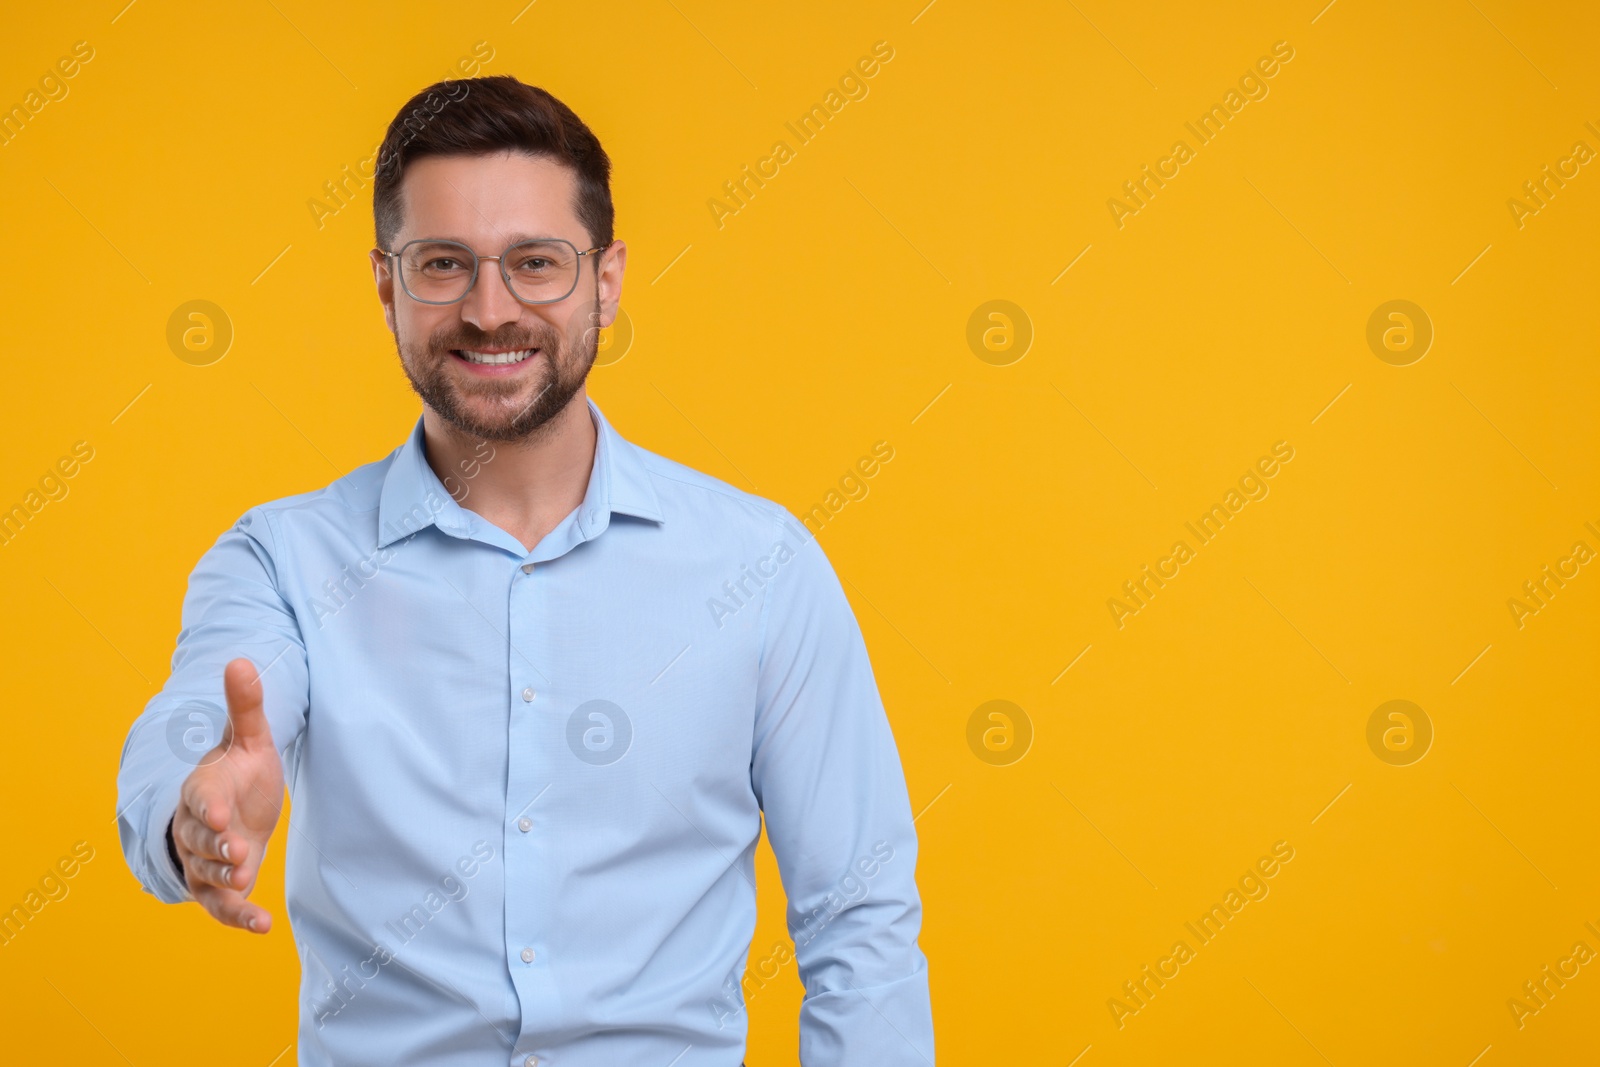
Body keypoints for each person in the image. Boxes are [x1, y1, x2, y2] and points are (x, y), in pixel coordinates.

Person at [114, 75, 934, 1066]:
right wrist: (191, 813)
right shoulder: (286, 558)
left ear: (608, 278)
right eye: (443, 263)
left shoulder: (759, 565)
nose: (490, 310)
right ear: (386, 283)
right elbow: (206, 717)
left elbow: (860, 921)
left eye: (536, 263)